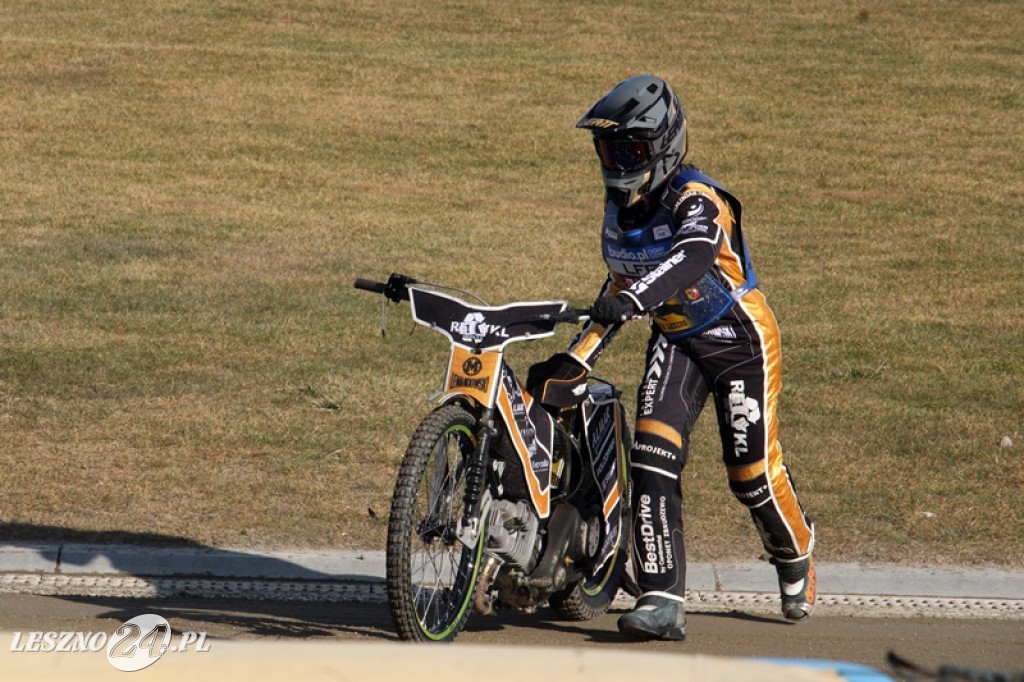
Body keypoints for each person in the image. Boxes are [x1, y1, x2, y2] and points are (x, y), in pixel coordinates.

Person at [527, 74, 816, 641]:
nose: (617, 162)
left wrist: (632, 300)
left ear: (663, 147)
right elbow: (616, 292)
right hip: (675, 340)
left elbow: (691, 257)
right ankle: (662, 599)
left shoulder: (699, 198)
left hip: (739, 341)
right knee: (652, 457)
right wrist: (576, 359)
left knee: (750, 476)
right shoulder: (619, 215)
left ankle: (796, 550)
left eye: (630, 150)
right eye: (609, 150)